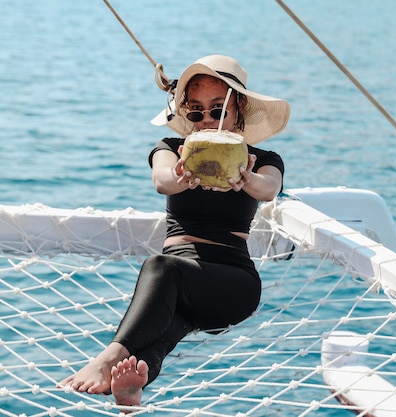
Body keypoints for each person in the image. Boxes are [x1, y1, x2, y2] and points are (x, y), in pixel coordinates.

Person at [60, 54, 290, 408]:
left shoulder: (262, 158)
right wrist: (182, 173)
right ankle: (133, 388)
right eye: (196, 112)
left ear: (238, 105)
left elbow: (269, 188)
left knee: (160, 266)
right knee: (164, 333)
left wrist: (246, 176)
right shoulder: (173, 149)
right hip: (181, 286)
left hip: (231, 283)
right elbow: (162, 180)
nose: (207, 120)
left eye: (217, 109)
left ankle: (107, 357)